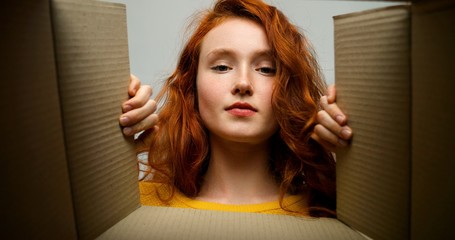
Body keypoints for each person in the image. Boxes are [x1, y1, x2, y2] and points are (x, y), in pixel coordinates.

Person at [119, 0, 352, 217]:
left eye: (266, 69)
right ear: (192, 85)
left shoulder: (332, 209)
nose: (243, 83)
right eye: (221, 67)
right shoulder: (137, 206)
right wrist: (117, 147)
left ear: (290, 89)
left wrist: (349, 157)